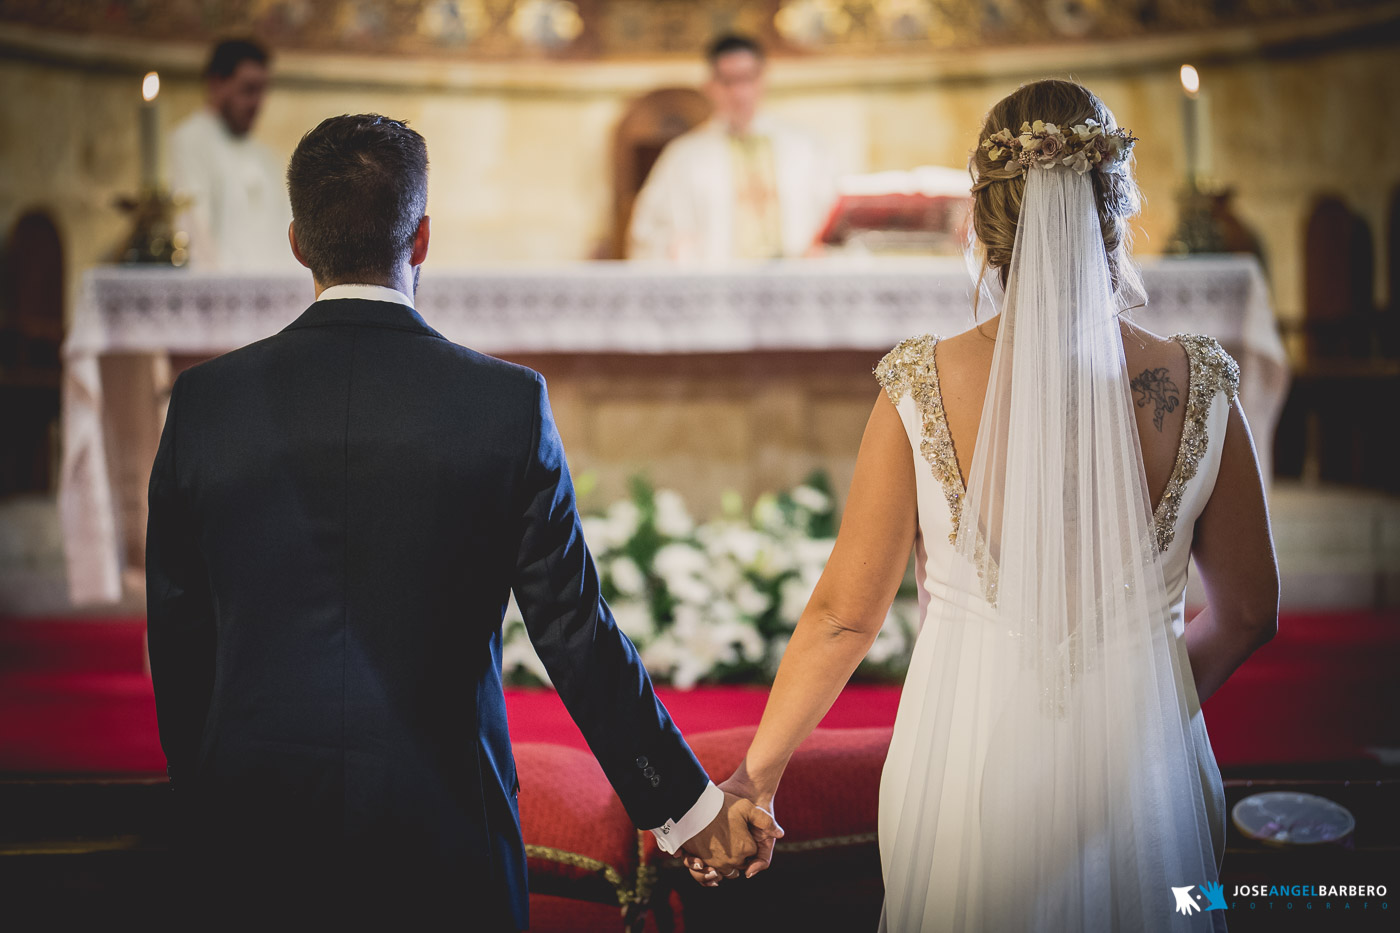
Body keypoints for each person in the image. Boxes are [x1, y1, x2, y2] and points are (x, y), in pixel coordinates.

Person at [145, 114, 779, 929]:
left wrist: (209, 798)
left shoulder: (206, 405)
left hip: (248, 824)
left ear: (299, 241)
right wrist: (691, 808)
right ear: (422, 239)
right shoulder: (504, 406)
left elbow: (180, 635)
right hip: (444, 819)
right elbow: (573, 631)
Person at [689, 80, 1279, 931]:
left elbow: (844, 618)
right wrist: (1143, 696)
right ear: (1116, 205)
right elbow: (1252, 610)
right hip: (1144, 771)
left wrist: (756, 775)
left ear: (983, 220)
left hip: (966, 757)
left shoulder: (920, 384)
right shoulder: (1202, 382)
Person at [627, 33, 836, 262]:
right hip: (716, 289)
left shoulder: (805, 148)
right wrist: (676, 249)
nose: (740, 93)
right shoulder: (683, 157)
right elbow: (648, 233)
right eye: (728, 81)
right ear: (710, 86)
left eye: (748, 78)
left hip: (795, 283)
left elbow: (834, 220)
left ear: (764, 79)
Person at [168, 38, 293, 270]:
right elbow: (193, 231)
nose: (258, 103)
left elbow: (287, 231)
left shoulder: (265, 157)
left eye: (263, 90)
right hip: (219, 294)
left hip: (273, 295)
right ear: (216, 83)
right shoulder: (189, 141)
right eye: (248, 89)